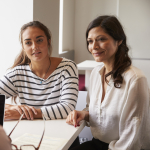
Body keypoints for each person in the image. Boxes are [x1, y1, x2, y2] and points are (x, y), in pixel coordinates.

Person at [66, 15, 150, 150]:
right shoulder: (96, 73)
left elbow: (133, 136)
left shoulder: (135, 79)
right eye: (90, 41)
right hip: (98, 143)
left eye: (101, 39)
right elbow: (95, 111)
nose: (94, 46)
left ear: (119, 40)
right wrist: (84, 114)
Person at [0, 21, 78, 121]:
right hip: (28, 134)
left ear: (49, 42)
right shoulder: (17, 74)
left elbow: (67, 108)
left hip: (63, 133)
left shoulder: (67, 67)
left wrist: (23, 114)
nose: (34, 47)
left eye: (39, 40)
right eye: (28, 43)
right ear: (23, 47)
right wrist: (10, 107)